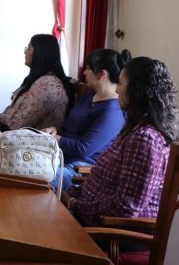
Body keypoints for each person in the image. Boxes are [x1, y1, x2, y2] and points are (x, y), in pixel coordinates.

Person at [62, 57, 179, 227]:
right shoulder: (136, 127)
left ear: (137, 91)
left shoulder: (146, 139)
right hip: (87, 214)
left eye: (120, 84)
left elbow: (125, 208)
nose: (117, 91)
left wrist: (74, 204)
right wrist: (73, 195)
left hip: (106, 229)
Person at [42, 49, 131, 192]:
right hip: (60, 157)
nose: (84, 73)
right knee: (21, 164)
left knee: (35, 178)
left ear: (102, 74)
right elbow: (71, 128)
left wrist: (55, 138)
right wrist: (56, 130)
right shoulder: (89, 95)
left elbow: (84, 149)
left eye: (88, 69)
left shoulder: (112, 111)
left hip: (81, 169)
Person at [0, 34, 73, 132]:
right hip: (17, 132)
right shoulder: (40, 79)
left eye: (28, 48)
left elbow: (20, 124)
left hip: (31, 141)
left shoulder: (48, 85)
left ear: (40, 53)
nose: (25, 52)